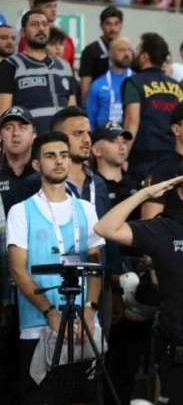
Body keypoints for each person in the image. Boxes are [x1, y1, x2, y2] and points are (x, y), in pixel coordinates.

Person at [95, 156, 183, 404]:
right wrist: (146, 194)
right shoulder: (165, 230)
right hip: (182, 355)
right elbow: (105, 228)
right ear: (180, 192)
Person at [7, 132, 104, 399]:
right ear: (36, 164)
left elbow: (96, 266)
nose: (59, 161)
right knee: (41, 399)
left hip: (84, 325)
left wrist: (90, 310)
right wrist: (51, 313)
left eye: (64, 155)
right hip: (38, 325)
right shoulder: (21, 211)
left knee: (85, 398)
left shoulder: (86, 209)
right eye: (50, 156)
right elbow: (18, 270)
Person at [122, 32, 183, 183]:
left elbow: (131, 121)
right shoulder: (178, 87)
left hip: (143, 158)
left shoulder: (134, 82)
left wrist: (123, 156)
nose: (134, 53)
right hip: (174, 157)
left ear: (144, 56)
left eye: (137, 49)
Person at [0, 10, 76, 135]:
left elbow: (72, 110)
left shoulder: (64, 66)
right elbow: (3, 113)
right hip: (30, 143)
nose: (41, 28)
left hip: (62, 142)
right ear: (22, 32)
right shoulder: (10, 65)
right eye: (34, 24)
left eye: (45, 24)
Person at [79, 6, 124, 103]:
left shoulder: (127, 51)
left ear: (121, 26)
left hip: (121, 102)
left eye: (116, 24)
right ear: (101, 26)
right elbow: (85, 84)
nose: (112, 28)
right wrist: (86, 106)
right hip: (98, 102)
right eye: (108, 24)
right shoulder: (90, 50)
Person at [0, 106, 36, 213]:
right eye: (9, 128)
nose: (15, 133)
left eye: (22, 127)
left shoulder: (45, 172)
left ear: (34, 136)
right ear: (0, 136)